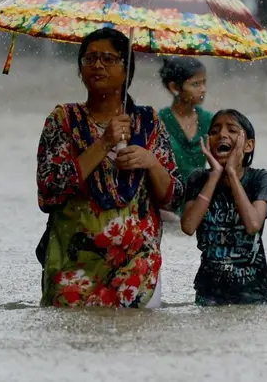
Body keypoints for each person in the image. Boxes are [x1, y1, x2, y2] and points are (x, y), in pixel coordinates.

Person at [35, 27, 183, 308]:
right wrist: (103, 143)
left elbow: (174, 198)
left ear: (127, 69)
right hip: (73, 263)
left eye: (108, 58)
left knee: (134, 343)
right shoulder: (63, 120)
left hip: (137, 265)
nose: (97, 65)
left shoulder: (149, 122)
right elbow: (49, 191)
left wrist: (150, 163)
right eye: (89, 59)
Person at [180, 110, 267, 306]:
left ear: (248, 145)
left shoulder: (260, 179)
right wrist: (215, 174)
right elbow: (188, 226)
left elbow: (253, 224)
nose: (222, 135)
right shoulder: (198, 178)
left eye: (232, 130)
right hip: (208, 293)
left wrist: (231, 172)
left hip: (251, 293)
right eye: (214, 131)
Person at [157, 57, 213, 220]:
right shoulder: (158, 122)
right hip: (166, 209)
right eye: (195, 84)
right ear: (174, 87)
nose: (203, 89)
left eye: (204, 83)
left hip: (198, 203)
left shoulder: (210, 121)